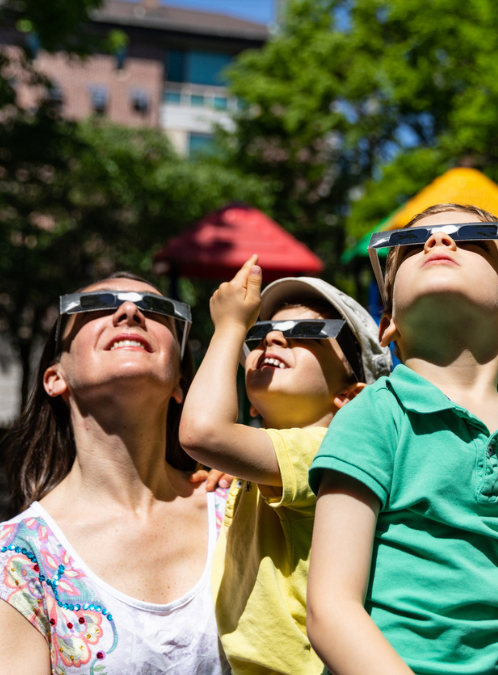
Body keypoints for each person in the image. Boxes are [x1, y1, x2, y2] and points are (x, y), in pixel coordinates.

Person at [305, 204, 498, 675]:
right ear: (388, 324)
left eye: (473, 238)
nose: (438, 242)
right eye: (412, 245)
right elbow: (331, 608)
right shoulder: (374, 413)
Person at [0, 272, 229, 675]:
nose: (130, 311)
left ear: (180, 384)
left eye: (156, 308)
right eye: (96, 306)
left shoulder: (243, 510)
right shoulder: (13, 561)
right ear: (55, 377)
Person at [179, 255, 391, 675]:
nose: (272, 339)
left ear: (349, 396)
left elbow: (202, 433)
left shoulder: (335, 450)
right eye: (258, 333)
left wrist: (229, 327)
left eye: (307, 331)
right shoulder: (264, 468)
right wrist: (233, 465)